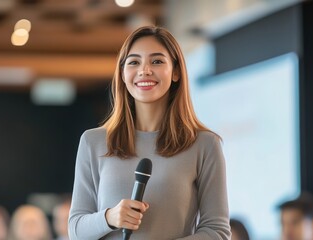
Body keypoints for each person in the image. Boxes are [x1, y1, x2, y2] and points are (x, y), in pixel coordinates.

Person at [68, 26, 230, 239]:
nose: (144, 70)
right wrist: (109, 217)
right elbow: (75, 229)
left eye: (157, 61)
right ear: (123, 74)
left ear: (176, 72)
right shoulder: (93, 141)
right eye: (134, 62)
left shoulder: (205, 144)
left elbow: (217, 231)